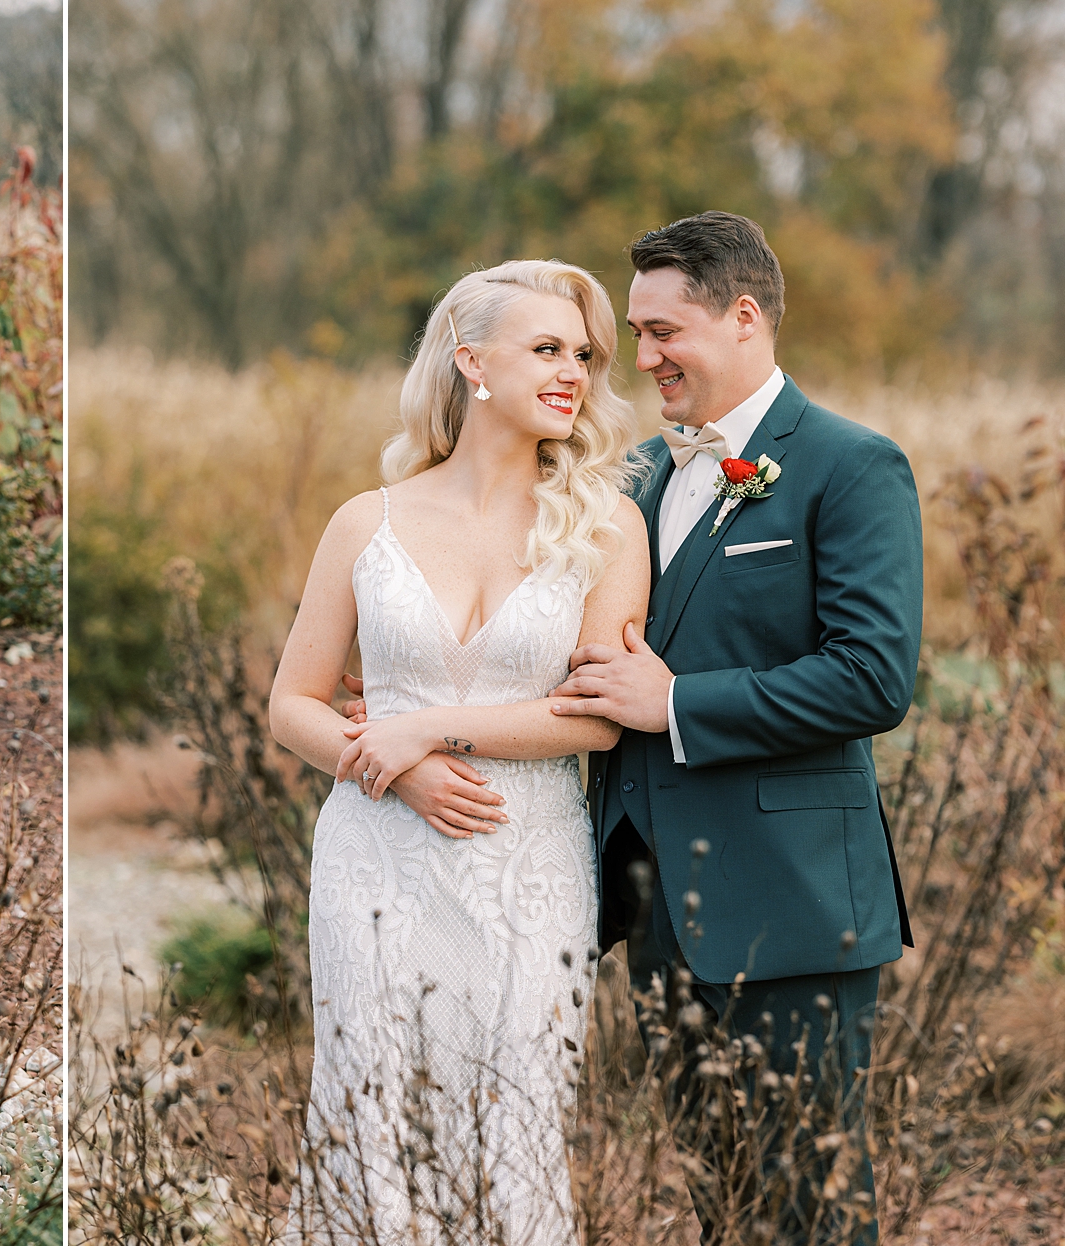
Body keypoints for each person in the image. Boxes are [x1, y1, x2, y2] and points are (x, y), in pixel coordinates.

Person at [550, 211, 918, 1246]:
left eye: (665, 329)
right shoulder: (635, 476)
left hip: (793, 903)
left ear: (743, 315)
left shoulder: (848, 465)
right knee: (721, 1204)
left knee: (808, 1207)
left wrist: (671, 702)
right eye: (636, 331)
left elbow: (870, 677)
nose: (643, 354)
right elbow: (580, 651)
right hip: (658, 905)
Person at [268, 259, 650, 1245]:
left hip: (530, 857)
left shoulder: (607, 524)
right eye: (545, 348)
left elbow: (594, 717)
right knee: (368, 1105)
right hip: (374, 856)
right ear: (470, 361)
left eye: (581, 353)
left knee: (514, 1112)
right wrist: (395, 768)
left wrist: (424, 730)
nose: (571, 370)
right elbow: (293, 704)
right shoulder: (367, 520)